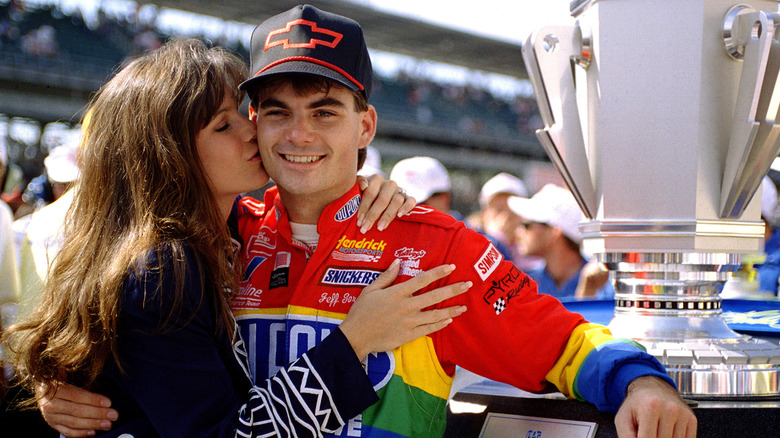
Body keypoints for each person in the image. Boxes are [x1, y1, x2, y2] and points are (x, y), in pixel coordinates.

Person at [44, 6, 696, 438]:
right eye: (276, 112)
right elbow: (109, 315)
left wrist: (641, 383)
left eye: (324, 111)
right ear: (254, 124)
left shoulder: (434, 248)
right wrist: (60, 391)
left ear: (366, 126)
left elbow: (562, 342)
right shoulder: (219, 235)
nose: (298, 135)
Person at [3, 38, 471, 438]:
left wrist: (363, 188)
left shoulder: (225, 233)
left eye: (245, 113)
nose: (253, 130)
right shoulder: (163, 266)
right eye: (224, 125)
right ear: (170, 156)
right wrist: (354, 344)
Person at [508, 184, 614, 301]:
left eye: (526, 225)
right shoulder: (524, 283)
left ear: (554, 231)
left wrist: (589, 291)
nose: (518, 232)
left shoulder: (608, 285)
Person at [467, 172, 541, 270]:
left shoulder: (533, 251)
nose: (506, 216)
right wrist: (496, 239)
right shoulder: (471, 243)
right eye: (498, 209)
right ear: (485, 214)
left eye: (511, 209)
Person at [389, 156, 462, 219]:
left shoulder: (465, 230)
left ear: (444, 198)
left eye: (419, 205)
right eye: (400, 203)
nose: (407, 211)